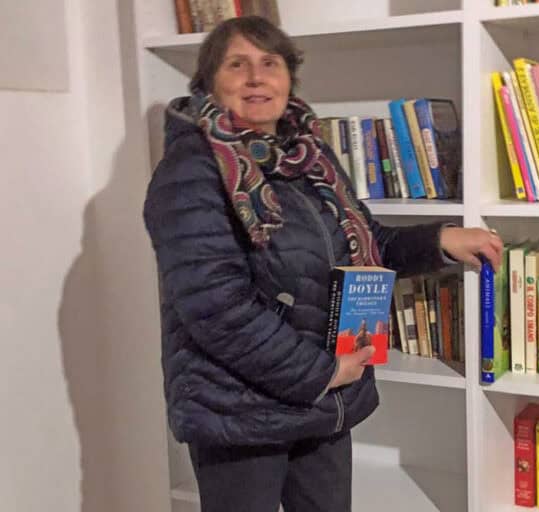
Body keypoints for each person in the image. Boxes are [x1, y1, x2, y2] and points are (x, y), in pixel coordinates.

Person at [142, 15, 502, 512]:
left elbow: (365, 246)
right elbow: (216, 307)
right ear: (208, 82)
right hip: (240, 412)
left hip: (323, 402)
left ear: (289, 78)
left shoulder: (310, 159)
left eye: (270, 63)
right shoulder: (190, 172)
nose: (256, 77)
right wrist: (321, 372)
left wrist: (440, 239)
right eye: (237, 65)